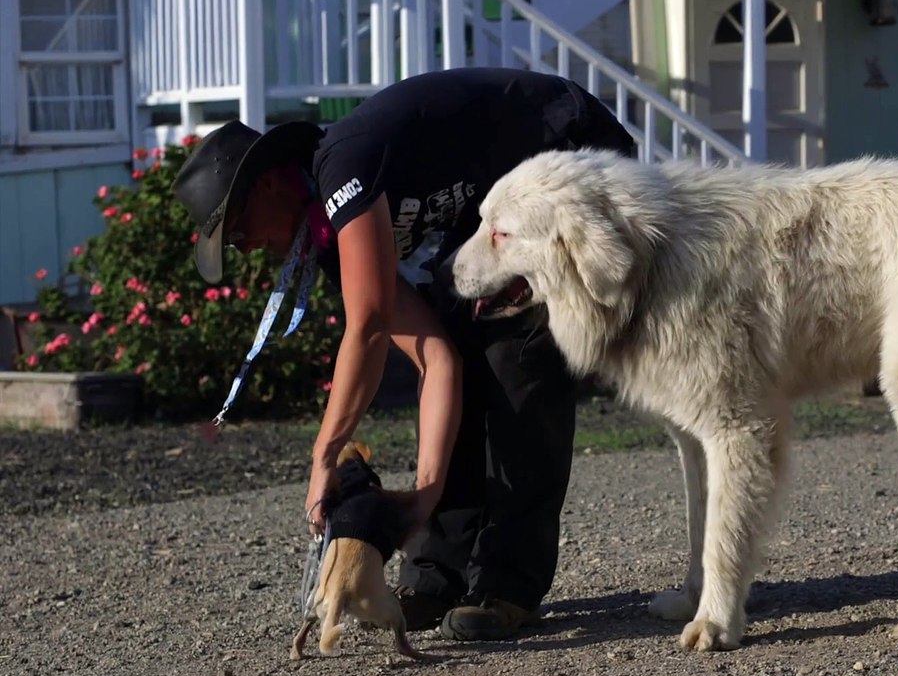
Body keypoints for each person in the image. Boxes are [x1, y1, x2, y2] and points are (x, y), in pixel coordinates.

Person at [172, 67, 636, 640]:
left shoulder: (342, 165)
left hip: (563, 144)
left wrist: (325, 456)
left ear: (267, 185)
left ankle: (508, 585)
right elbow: (436, 359)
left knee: (519, 358)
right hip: (488, 205)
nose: (246, 250)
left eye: (238, 234)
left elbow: (367, 325)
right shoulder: (327, 238)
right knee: (462, 338)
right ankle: (439, 577)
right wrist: (427, 490)